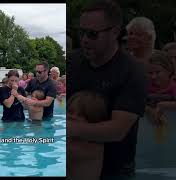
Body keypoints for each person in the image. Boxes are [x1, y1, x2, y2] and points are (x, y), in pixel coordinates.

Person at [68, 0, 147, 179]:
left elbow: (117, 130)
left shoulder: (133, 71)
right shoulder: (72, 62)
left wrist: (70, 128)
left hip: (115, 169)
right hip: (73, 163)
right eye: (82, 32)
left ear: (115, 32)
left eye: (92, 34)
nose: (85, 40)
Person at [68, 91, 109, 180]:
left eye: (82, 115)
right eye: (70, 111)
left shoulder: (91, 146)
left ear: (95, 120)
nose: (73, 116)